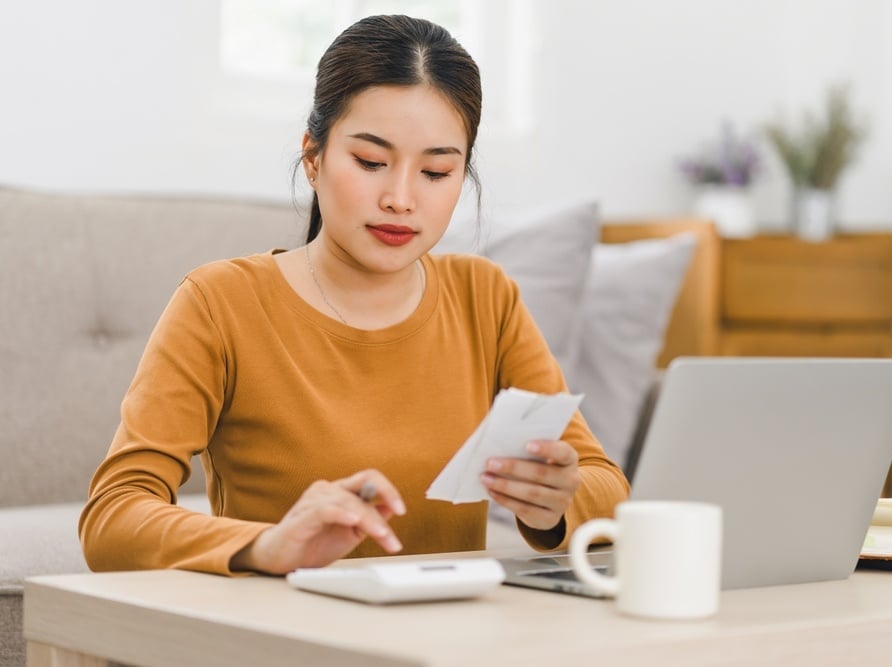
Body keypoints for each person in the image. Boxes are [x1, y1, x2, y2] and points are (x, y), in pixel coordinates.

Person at [79, 14, 629, 576]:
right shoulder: (220, 302)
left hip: (450, 644)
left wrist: (556, 502)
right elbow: (113, 518)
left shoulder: (485, 297)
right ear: (313, 157)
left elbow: (607, 486)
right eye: (370, 162)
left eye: (436, 172)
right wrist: (268, 546)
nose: (400, 198)